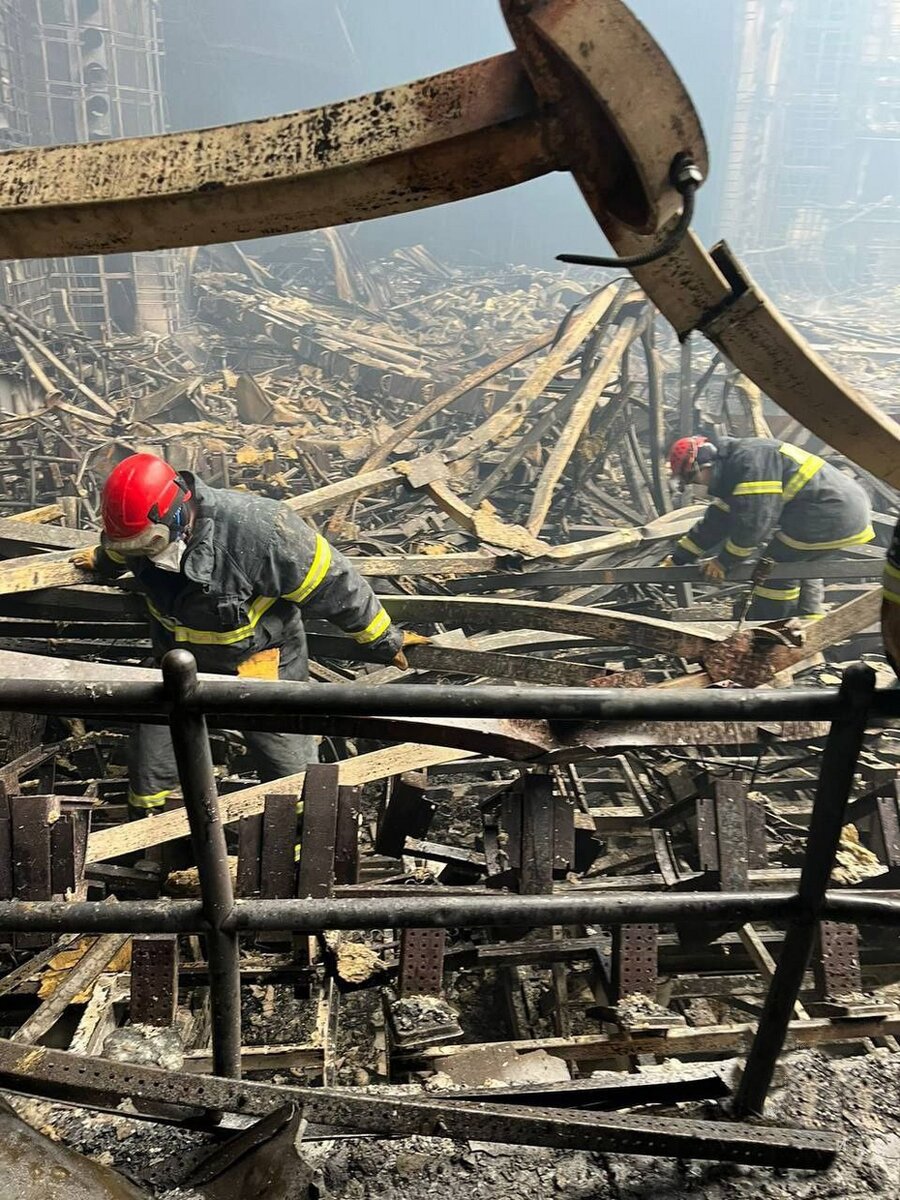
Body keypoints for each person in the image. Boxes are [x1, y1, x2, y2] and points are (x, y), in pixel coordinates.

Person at [73, 453, 423, 814]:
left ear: (177, 511)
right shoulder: (138, 534)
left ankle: (297, 849)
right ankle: (164, 844)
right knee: (150, 772)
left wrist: (385, 640)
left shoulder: (261, 531)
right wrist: (104, 559)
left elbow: (334, 583)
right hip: (176, 668)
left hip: (260, 663)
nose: (147, 555)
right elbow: (125, 547)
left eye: (148, 544)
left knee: (290, 771)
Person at [664, 434, 874, 621]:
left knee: (772, 567)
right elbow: (717, 521)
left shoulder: (749, 462)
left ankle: (771, 626)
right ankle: (810, 619)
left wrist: (723, 562)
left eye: (693, 478)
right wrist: (678, 558)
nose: (699, 485)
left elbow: (755, 522)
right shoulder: (736, 467)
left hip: (830, 513)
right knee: (801, 566)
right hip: (842, 512)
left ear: (704, 465)